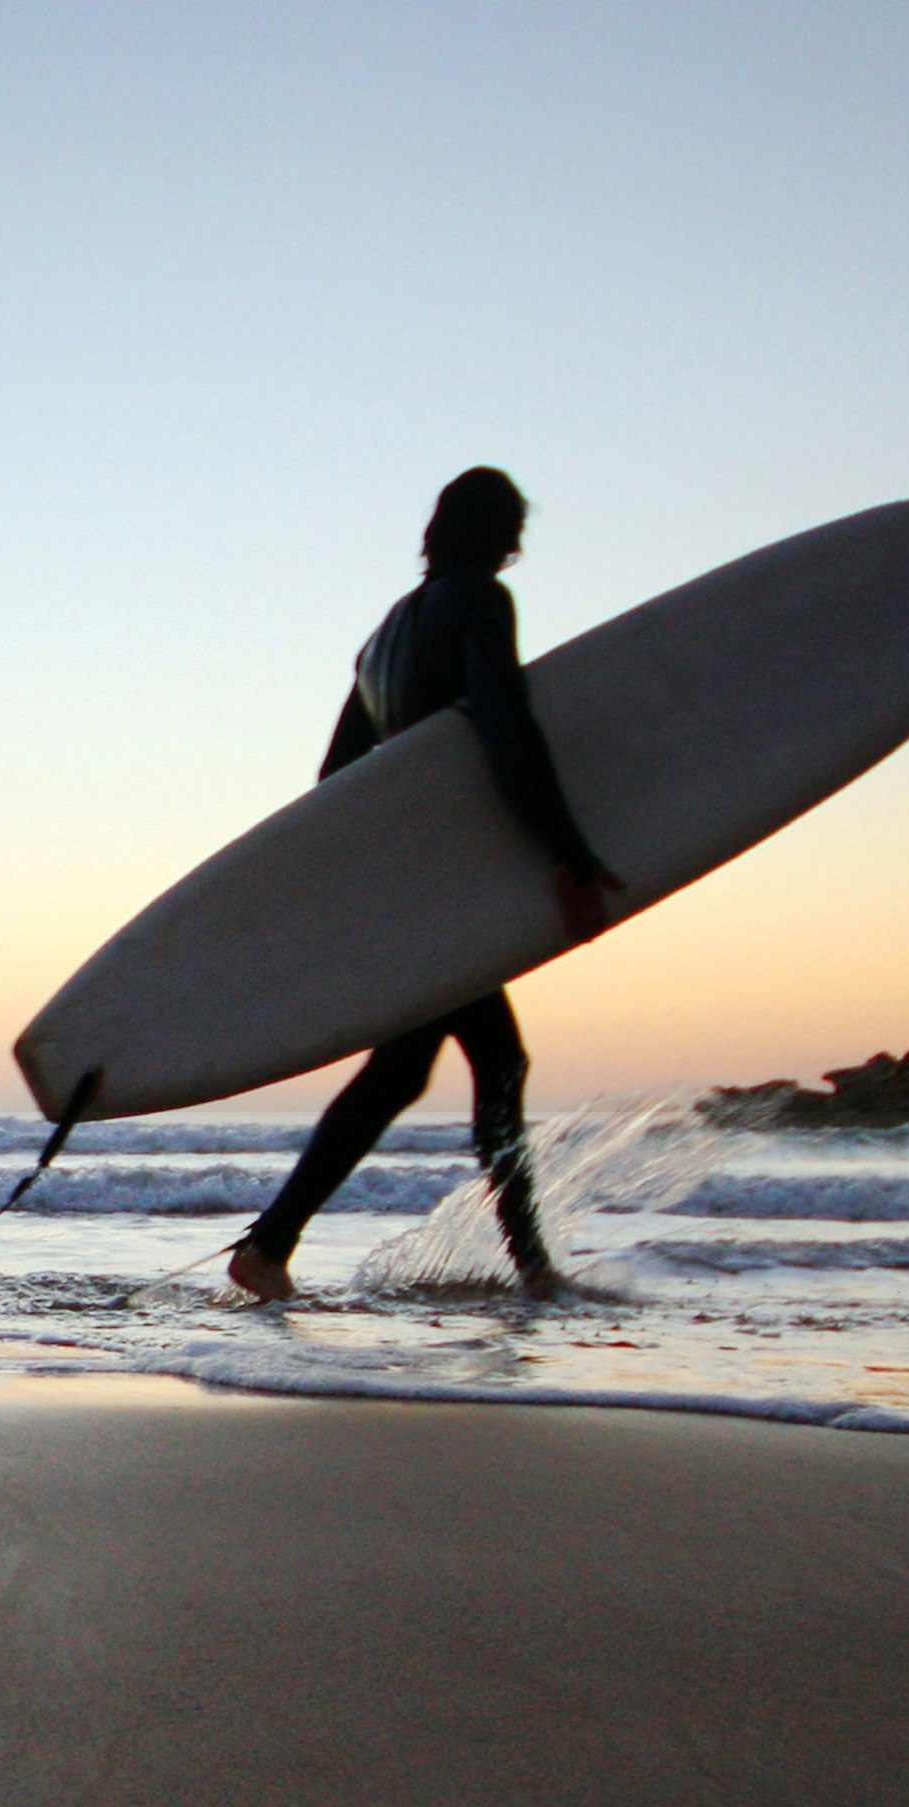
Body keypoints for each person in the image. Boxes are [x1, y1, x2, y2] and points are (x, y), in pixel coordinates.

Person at [226, 467, 627, 1302]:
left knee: (409, 1070)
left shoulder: (382, 640)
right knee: (494, 1061)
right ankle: (531, 1270)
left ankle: (271, 1246)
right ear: (505, 536)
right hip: (443, 894)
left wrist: (367, 884)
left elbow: (337, 776)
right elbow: (505, 724)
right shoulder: (479, 602)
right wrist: (570, 854)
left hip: (412, 888)